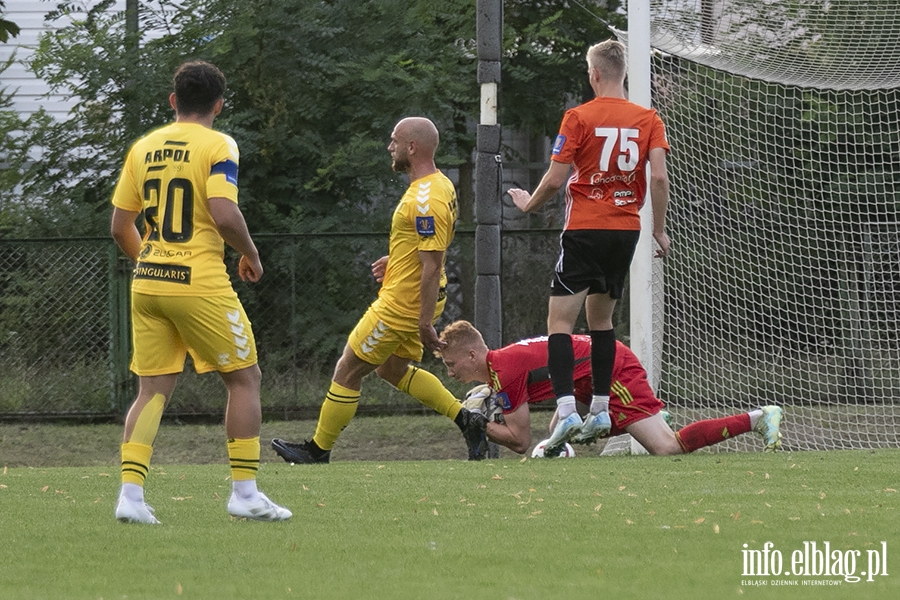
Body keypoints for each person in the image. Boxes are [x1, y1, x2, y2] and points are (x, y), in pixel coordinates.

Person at [110, 60, 290, 523]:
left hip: (148, 282)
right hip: (199, 281)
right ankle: (245, 493)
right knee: (244, 378)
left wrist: (150, 263)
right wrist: (251, 253)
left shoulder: (143, 147)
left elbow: (119, 226)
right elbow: (225, 215)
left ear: (173, 101)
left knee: (151, 390)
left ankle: (130, 496)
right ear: (218, 105)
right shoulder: (218, 144)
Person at [271, 117, 488, 464]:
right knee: (390, 369)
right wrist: (398, 258)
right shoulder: (440, 184)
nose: (390, 147)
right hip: (413, 295)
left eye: (394, 141)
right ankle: (468, 420)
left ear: (412, 147)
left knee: (348, 367)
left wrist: (422, 323)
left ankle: (317, 450)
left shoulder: (425, 198)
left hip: (402, 304)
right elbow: (429, 247)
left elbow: (432, 264)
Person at [507, 39, 672, 452]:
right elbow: (658, 179)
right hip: (625, 230)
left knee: (559, 323)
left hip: (584, 228)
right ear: (624, 74)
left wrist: (529, 204)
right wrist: (659, 230)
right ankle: (600, 405)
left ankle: (566, 409)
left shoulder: (578, 117)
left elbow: (555, 178)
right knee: (602, 321)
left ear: (594, 74)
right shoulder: (648, 117)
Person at [438, 320, 783, 457]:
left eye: (452, 364)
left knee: (665, 447)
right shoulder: (502, 366)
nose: (451, 372)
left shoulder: (504, 371)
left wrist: (472, 419)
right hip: (588, 382)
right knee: (557, 432)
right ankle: (648, 414)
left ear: (472, 354)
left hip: (612, 370)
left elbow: (519, 441)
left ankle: (758, 418)